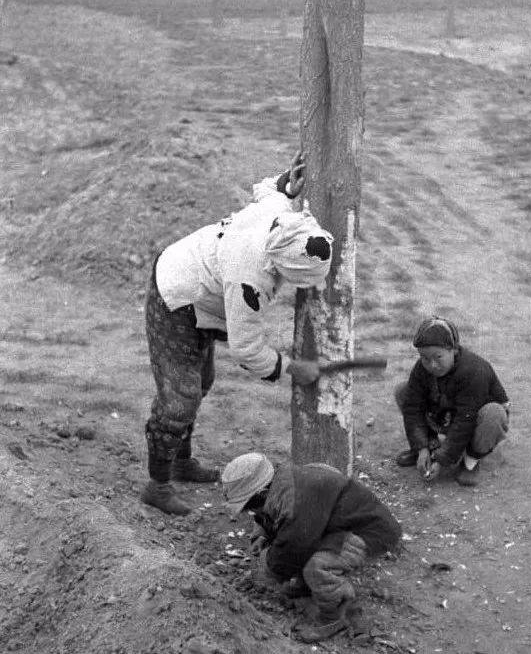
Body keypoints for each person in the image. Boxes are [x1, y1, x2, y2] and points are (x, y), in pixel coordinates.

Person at [141, 154, 334, 515]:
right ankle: (158, 485)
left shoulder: (284, 220)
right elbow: (246, 350)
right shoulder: (250, 278)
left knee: (201, 381)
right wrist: (291, 368)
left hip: (203, 290)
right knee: (180, 396)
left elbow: (268, 191)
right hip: (176, 295)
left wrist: (286, 182)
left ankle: (181, 462)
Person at [221, 452, 401, 643]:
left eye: (249, 506)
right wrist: (262, 533)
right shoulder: (280, 484)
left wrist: (267, 565)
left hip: (368, 530)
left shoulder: (295, 500)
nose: (249, 511)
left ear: (262, 493)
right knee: (301, 544)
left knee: (317, 567)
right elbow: (274, 516)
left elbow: (292, 549)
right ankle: (308, 586)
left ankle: (334, 618)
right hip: (334, 524)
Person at [394, 316, 510, 487]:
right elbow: (413, 409)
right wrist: (421, 447)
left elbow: (465, 420)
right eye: (425, 358)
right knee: (404, 391)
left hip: (475, 421)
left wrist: (442, 461)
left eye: (438, 357)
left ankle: (470, 461)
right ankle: (430, 448)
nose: (431, 364)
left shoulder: (474, 371)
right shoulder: (421, 369)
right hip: (449, 413)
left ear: (453, 350)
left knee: (494, 413)